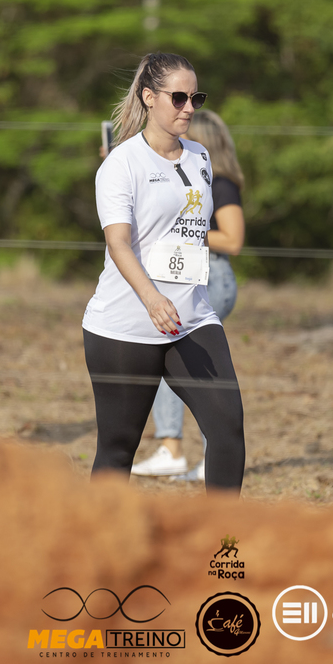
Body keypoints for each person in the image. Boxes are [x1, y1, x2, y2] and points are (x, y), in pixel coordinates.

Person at [82, 53, 245, 492]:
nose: (189, 108)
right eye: (178, 98)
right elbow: (118, 242)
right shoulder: (121, 163)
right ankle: (94, 536)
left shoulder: (200, 157)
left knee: (228, 431)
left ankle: (223, 537)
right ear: (149, 97)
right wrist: (152, 298)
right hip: (126, 324)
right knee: (117, 449)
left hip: (191, 319)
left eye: (196, 98)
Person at [130, 109, 244, 482]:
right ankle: (173, 448)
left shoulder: (220, 183)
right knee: (171, 361)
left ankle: (195, 453)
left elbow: (233, 239)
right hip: (185, 277)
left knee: (195, 367)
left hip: (211, 277)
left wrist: (179, 232)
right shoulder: (183, 176)